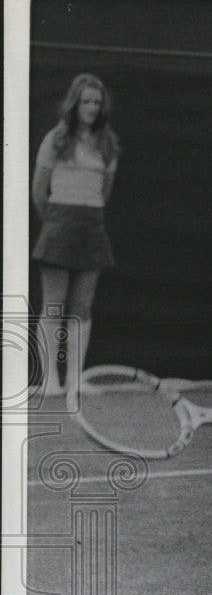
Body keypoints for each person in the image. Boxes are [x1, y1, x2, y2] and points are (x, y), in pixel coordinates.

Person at [31, 73, 120, 398]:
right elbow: (39, 192)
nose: (92, 108)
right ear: (75, 103)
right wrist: (57, 223)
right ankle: (50, 381)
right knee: (53, 306)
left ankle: (75, 381)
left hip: (92, 228)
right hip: (59, 227)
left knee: (81, 307)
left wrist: (85, 218)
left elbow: (103, 193)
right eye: (86, 101)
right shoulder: (55, 139)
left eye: (97, 102)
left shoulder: (108, 144)